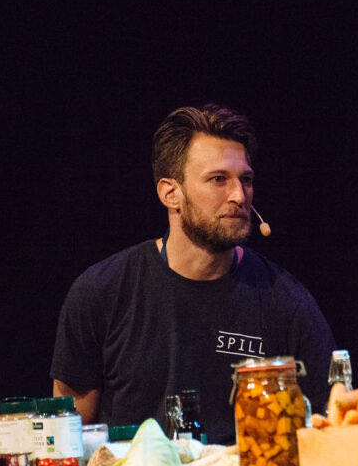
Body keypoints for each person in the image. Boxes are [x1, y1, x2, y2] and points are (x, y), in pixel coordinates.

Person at [50, 103, 336, 443]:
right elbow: (68, 434)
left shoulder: (286, 300)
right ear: (171, 193)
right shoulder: (101, 292)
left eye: (245, 180)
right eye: (218, 179)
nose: (238, 195)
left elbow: (327, 423)